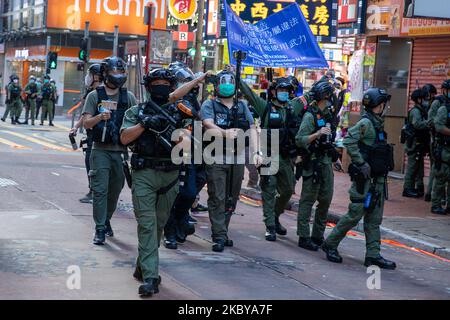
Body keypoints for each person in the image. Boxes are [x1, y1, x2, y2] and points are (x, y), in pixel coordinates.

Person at [120, 68, 208, 297]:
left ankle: (142, 266)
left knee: (158, 226)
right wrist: (145, 124)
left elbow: (189, 146)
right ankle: (151, 277)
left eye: (164, 83)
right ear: (149, 87)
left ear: (170, 88)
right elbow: (124, 137)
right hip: (144, 174)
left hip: (170, 175)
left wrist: (177, 129)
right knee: (147, 224)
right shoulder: (136, 111)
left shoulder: (178, 112)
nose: (160, 86)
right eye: (155, 83)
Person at [322, 88, 397, 270]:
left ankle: (373, 255)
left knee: (374, 219)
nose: (385, 107)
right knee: (354, 215)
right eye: (383, 104)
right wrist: (360, 162)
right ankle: (330, 243)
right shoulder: (366, 123)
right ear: (378, 105)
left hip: (377, 181)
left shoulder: (377, 123)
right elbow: (348, 141)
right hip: (365, 182)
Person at [239, 76, 305, 241]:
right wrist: (236, 76)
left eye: (286, 90)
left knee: (288, 189)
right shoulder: (265, 108)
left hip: (285, 157)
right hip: (268, 155)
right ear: (274, 91)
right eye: (280, 90)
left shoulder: (292, 107)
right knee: (269, 191)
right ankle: (270, 226)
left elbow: (309, 97)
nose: (283, 93)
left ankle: (275, 216)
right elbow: (250, 94)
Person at [201, 70, 258, 252]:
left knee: (231, 197)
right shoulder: (209, 105)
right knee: (217, 196)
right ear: (217, 85)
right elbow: (207, 123)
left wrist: (257, 152)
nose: (227, 85)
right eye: (223, 82)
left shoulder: (242, 106)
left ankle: (223, 230)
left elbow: (252, 128)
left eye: (230, 81)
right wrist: (225, 133)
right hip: (216, 155)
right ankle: (218, 235)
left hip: (238, 157)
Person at [82, 56, 137, 245]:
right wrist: (99, 117)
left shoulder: (128, 97)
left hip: (120, 153)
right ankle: (99, 229)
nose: (118, 76)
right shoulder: (94, 96)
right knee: (100, 190)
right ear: (105, 74)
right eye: (114, 72)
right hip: (100, 151)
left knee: (114, 192)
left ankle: (106, 220)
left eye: (121, 72)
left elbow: (137, 121)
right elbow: (86, 123)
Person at [163, 63, 208, 249]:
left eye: (188, 81)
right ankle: (169, 230)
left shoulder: (192, 101)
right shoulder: (169, 99)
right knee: (172, 195)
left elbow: (198, 123)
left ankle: (180, 218)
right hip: (171, 154)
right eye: (183, 82)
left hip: (192, 152)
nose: (188, 86)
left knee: (190, 192)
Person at [296, 81, 337, 251]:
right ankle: (304, 236)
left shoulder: (328, 115)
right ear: (325, 96)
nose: (332, 99)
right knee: (308, 200)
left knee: (325, 200)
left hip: (326, 162)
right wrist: (317, 134)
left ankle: (317, 235)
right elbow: (300, 139)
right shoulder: (310, 116)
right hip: (313, 163)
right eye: (330, 96)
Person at [70, 64, 104, 204]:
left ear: (96, 77)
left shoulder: (99, 93)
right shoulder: (92, 91)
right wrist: (76, 127)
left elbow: (89, 117)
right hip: (92, 133)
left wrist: (79, 125)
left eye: (90, 75)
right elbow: (86, 114)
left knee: (92, 163)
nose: (87, 78)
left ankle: (94, 192)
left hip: (97, 135)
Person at [402, 88, 431, 198]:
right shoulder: (416, 111)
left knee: (419, 167)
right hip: (413, 143)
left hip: (418, 143)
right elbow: (417, 124)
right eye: (425, 98)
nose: (426, 100)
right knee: (412, 166)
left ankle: (416, 188)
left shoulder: (421, 110)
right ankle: (407, 189)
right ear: (419, 99)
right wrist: (429, 122)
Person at [429, 79, 450, 215]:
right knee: (441, 176)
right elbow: (437, 125)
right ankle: (436, 204)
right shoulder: (443, 107)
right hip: (443, 147)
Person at [423, 83, 438, 202]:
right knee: (435, 167)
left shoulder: (425, 104)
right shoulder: (433, 104)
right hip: (433, 139)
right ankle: (430, 193)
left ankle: (429, 192)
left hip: (430, 139)